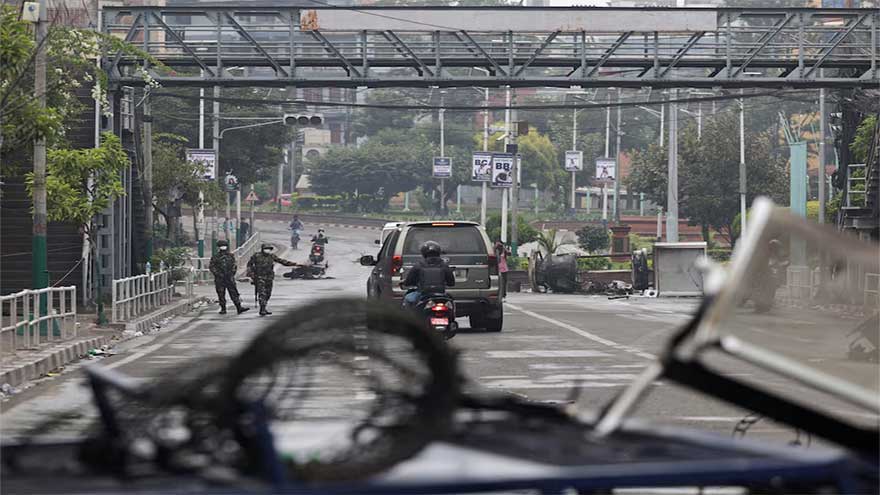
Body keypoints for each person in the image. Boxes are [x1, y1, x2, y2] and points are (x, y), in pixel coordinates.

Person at [246, 243, 299, 316]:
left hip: (269, 278)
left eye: (269, 249)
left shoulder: (271, 256)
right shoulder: (256, 256)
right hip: (259, 277)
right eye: (266, 248)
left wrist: (295, 264)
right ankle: (262, 309)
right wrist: (251, 273)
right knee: (262, 293)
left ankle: (264, 307)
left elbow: (282, 261)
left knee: (268, 294)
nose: (267, 250)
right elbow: (249, 264)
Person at [402, 241, 455, 308]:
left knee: (407, 298)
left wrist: (405, 283)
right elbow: (451, 283)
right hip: (441, 295)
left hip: (423, 294)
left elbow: (409, 281)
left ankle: (408, 318)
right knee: (451, 301)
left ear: (423, 253)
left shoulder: (418, 265)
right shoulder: (444, 266)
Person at [208, 240, 249, 315]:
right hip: (220, 279)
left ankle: (239, 307)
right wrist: (218, 274)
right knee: (221, 294)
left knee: (234, 293)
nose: (223, 247)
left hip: (229, 278)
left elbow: (234, 265)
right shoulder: (215, 257)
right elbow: (212, 267)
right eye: (221, 245)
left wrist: (232, 273)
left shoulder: (231, 256)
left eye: (224, 245)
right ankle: (223, 308)